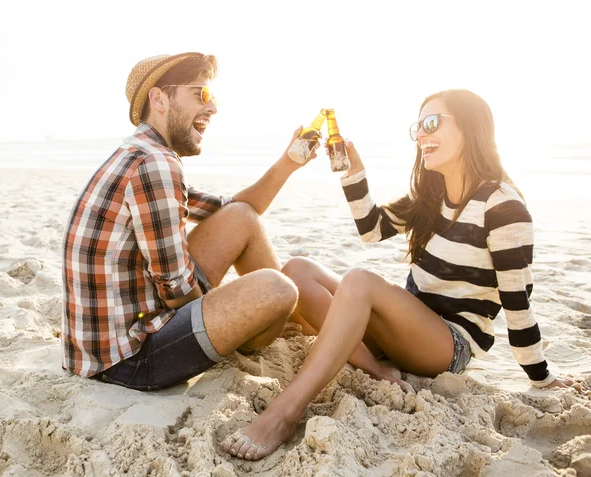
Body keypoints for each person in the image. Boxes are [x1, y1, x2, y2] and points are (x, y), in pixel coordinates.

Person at [222, 89, 576, 461]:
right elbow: (371, 229)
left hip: (447, 344)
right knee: (297, 270)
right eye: (418, 127)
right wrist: (350, 171)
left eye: (432, 123)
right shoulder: (430, 196)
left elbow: (517, 302)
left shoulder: (503, 206)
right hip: (401, 330)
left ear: (472, 128)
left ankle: (283, 415)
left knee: (359, 281)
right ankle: (375, 367)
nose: (421, 135)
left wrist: (541, 376)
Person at [61, 52, 316, 390]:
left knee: (241, 217)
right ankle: (277, 326)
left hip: (115, 337)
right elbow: (176, 290)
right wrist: (239, 314)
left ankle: (293, 321)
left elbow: (234, 210)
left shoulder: (144, 152)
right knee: (277, 290)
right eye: (201, 95)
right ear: (159, 98)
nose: (213, 108)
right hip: (129, 359)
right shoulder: (154, 164)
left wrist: (288, 163)